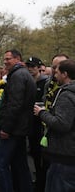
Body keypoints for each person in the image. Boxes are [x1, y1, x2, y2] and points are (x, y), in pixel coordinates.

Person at [0, 49, 36, 192]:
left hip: (13, 129)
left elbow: (15, 105)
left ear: (18, 58)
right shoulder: (22, 74)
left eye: (8, 59)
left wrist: (6, 128)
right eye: (4, 59)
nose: (5, 62)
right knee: (20, 164)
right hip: (19, 128)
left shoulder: (18, 76)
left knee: (0, 164)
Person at [34, 59, 75, 192]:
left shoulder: (66, 95)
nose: (54, 76)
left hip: (64, 155)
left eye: (56, 72)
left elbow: (62, 124)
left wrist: (42, 113)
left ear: (65, 74)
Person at [25, 56, 49, 192]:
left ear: (39, 67)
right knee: (34, 153)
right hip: (30, 124)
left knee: (42, 157)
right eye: (28, 66)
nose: (30, 69)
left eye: (33, 66)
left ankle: (41, 183)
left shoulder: (45, 83)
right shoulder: (27, 81)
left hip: (41, 124)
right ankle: (38, 180)